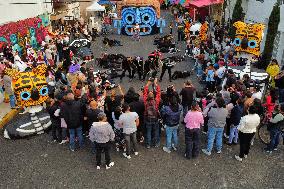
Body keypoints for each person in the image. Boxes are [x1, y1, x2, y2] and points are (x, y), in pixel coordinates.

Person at [143, 79, 161, 148]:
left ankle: (148, 144)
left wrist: (148, 84)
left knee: (148, 131)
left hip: (147, 118)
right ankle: (156, 143)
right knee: (156, 131)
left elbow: (144, 92)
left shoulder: (145, 101)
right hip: (155, 118)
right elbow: (159, 93)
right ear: (153, 96)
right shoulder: (156, 101)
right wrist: (156, 85)